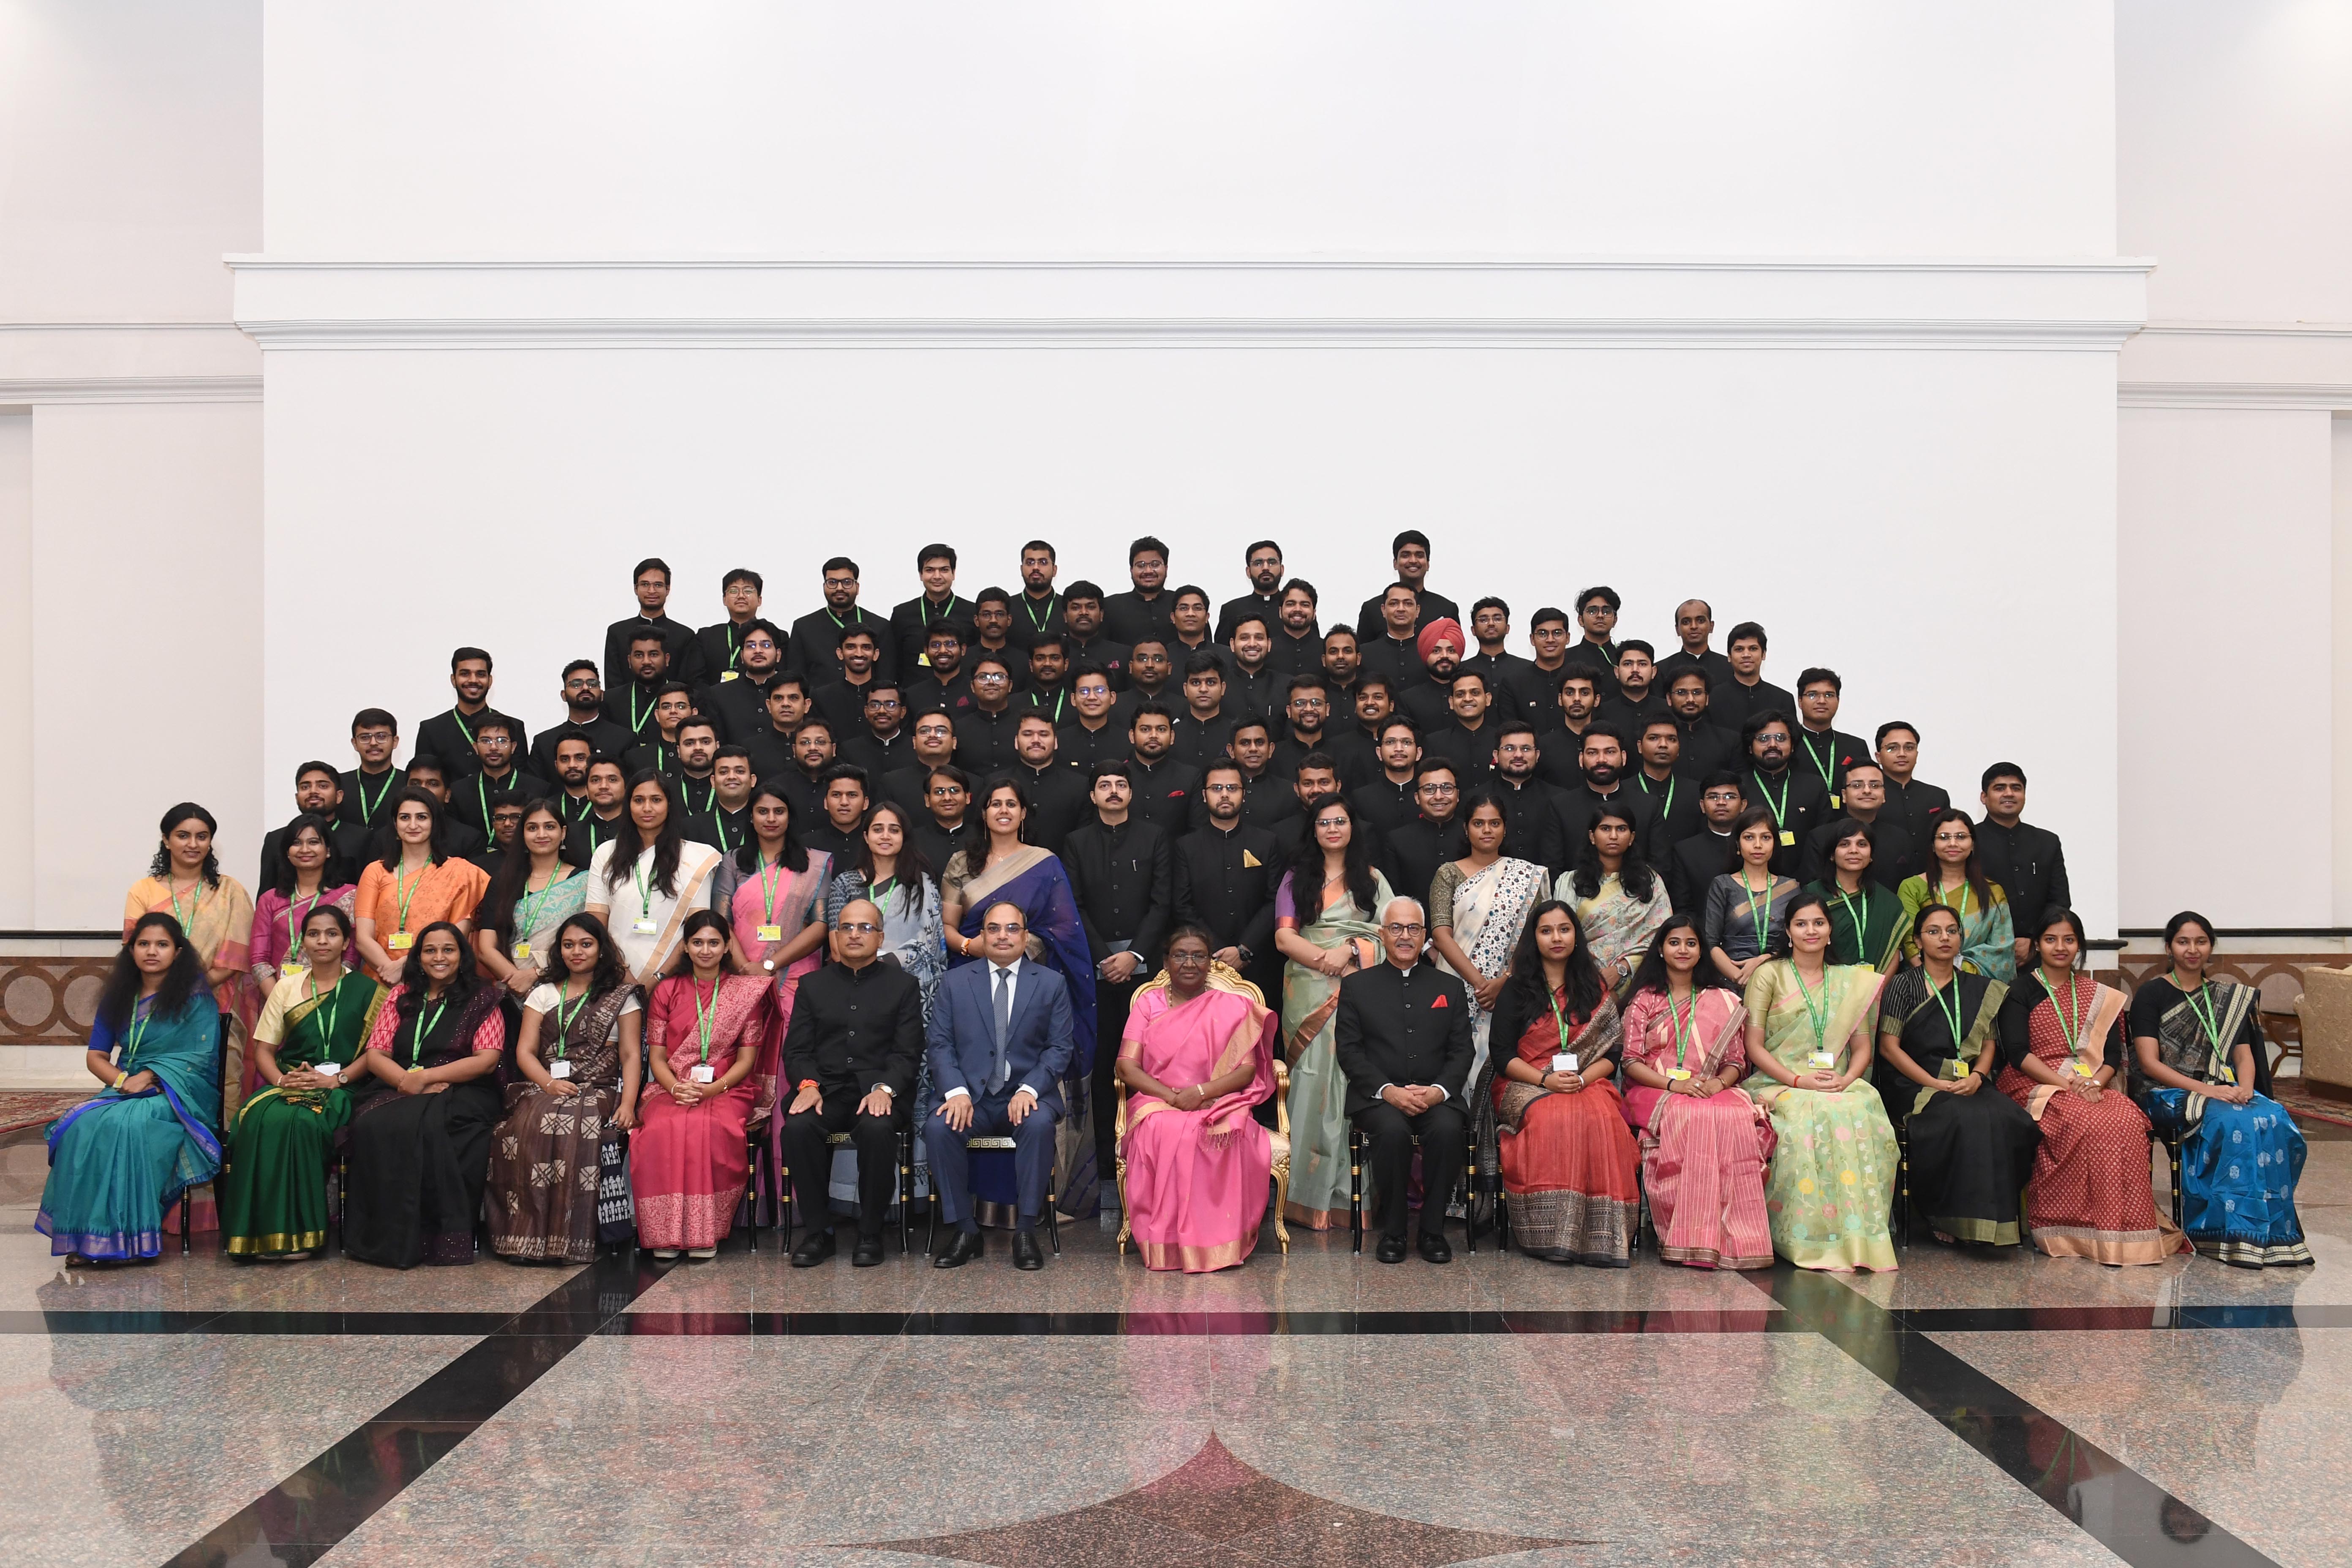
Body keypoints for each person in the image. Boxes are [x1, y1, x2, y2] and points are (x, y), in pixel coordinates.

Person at [938, 779, 1101, 1213]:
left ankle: (1032, 1207)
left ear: (1024, 812)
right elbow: (948, 927)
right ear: (984, 812)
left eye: (1012, 804)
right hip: (972, 977)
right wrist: (976, 947)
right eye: (995, 804)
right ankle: (977, 1208)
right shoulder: (962, 863)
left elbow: (1065, 930)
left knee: (1029, 1084)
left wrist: (1018, 947)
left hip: (1031, 984)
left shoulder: (1044, 863)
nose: (1004, 810)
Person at [1997, 908, 2186, 1266]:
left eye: (2069, 940)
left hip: (2093, 1083)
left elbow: (2112, 1055)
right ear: (2037, 945)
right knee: (2083, 1121)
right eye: (2051, 939)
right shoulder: (2020, 990)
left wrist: (2095, 1083)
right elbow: (2019, 1054)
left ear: (2080, 946)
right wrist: (2069, 1086)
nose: (2060, 947)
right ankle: (2072, 1227)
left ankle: (2127, 1230)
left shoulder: (2100, 995)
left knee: (2127, 1119)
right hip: (2035, 1081)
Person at [36, 914, 224, 1261]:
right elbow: (96, 1056)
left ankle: (128, 1240)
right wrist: (124, 1081)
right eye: (144, 944)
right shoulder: (119, 996)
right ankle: (84, 1238)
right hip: (126, 1088)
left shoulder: (195, 997)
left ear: (178, 952)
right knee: (82, 1126)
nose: (152, 951)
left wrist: (151, 1076)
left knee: (130, 1125)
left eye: (162, 944)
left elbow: (200, 1056)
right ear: (131, 950)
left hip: (177, 1093)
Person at [2129, 911, 2311, 1268]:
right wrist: (2207, 1091)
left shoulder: (2226, 998)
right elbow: (2149, 1063)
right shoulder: (2152, 993)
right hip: (2166, 1090)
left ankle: (2277, 1234)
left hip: (2222, 1089)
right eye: (2183, 942)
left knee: (2273, 1116)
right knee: (2233, 1122)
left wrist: (2246, 1089)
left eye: (2201, 941)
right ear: (2168, 948)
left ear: (2211, 946)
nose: (2192, 949)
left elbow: (2243, 1055)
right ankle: (2223, 1232)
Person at [1742, 893, 1898, 1272]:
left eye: (1818, 923)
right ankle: (1805, 1234)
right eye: (1801, 924)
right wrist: (1798, 1079)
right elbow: (1753, 1045)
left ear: (1830, 931)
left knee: (1862, 1110)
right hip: (1780, 1082)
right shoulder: (1769, 974)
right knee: (1805, 1117)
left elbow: (1863, 1047)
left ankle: (1859, 1235)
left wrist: (1846, 1079)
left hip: (1839, 1082)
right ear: (1788, 931)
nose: (1810, 930)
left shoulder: (1849, 980)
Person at [220, 904, 380, 1259]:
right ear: (303, 943)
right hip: (291, 1080)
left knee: (303, 1123)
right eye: (314, 934)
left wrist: (337, 1079)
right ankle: (258, 1235)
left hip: (343, 1086)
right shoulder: (286, 988)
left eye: (332, 934)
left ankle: (302, 1235)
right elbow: (264, 1050)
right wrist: (282, 1081)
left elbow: (376, 1053)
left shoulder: (368, 990)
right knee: (257, 1119)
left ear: (346, 942)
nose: (322, 941)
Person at [1115, 927, 1281, 1271]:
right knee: (1162, 1129)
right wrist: (1172, 1097)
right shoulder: (1148, 1003)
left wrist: (1202, 1093)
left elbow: (1246, 1072)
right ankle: (1168, 1245)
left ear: (1210, 962)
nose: (1189, 963)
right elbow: (1126, 1066)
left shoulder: (1234, 1006)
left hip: (1217, 1099)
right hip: (1158, 1100)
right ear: (1166, 962)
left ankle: (1217, 1243)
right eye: (1180, 955)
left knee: (1224, 1129)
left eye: (1198, 956)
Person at [343, 922, 506, 1268]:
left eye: (448, 949)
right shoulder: (401, 995)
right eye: (430, 950)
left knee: (432, 1124)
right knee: (371, 1124)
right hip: (400, 1084)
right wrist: (407, 1081)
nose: (439, 957)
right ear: (418, 957)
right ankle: (382, 1238)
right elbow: (376, 1054)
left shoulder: (483, 997)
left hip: (462, 1087)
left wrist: (427, 1078)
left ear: (462, 955)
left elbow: (487, 1060)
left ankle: (436, 1238)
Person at [925, 901, 1077, 1270]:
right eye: (993, 929)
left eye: (1012, 929)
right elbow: (940, 1044)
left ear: (1025, 936)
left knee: (1038, 1125)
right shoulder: (955, 982)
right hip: (971, 1097)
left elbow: (1060, 1048)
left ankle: (1025, 1231)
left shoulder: (1051, 984)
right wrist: (956, 1092)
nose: (1003, 936)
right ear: (982, 936)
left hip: (1025, 1094)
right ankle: (966, 1230)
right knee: (940, 1127)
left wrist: (1030, 1089)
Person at [1875, 903, 2037, 1248]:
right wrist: (1934, 1083)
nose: (1944, 938)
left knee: (2011, 1120)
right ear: (1918, 940)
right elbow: (1889, 1048)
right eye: (1933, 932)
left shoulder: (1980, 987)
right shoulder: (1903, 985)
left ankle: (1997, 1222)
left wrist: (1978, 1076)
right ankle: (1945, 1215)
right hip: (1915, 1082)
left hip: (1968, 1079)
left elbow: (1989, 1044)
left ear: (1961, 938)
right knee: (1961, 1118)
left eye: (1952, 931)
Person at [1486, 901, 1640, 1264]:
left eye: (1564, 929)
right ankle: (1551, 1233)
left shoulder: (1595, 988)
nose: (1556, 938)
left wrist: (1582, 1079)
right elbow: (1502, 1055)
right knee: (1552, 1118)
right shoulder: (1516, 989)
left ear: (1576, 936)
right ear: (1534, 938)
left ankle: (1603, 1239)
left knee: (1603, 1118)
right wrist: (1546, 1080)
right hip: (1525, 1081)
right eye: (1546, 931)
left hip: (1585, 1080)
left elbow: (1613, 1053)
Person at [487, 912, 643, 1263]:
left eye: (586, 944)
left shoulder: (621, 996)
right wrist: (549, 1083)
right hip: (545, 1085)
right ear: (559, 951)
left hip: (599, 1087)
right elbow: (525, 1052)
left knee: (577, 1123)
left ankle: (570, 1238)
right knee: (525, 1125)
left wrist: (628, 1105)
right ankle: (526, 1236)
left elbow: (631, 1055)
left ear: (601, 949)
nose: (577, 952)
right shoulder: (542, 993)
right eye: (569, 945)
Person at [1618, 915, 1772, 1270]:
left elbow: (1735, 1061)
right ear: (1661, 949)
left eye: (1691, 943)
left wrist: (1719, 1083)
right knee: (1692, 1114)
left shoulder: (1723, 999)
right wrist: (1676, 1085)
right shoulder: (1645, 999)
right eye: (1674, 942)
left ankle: (1741, 1237)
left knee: (1735, 1114)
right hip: (1654, 1088)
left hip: (1709, 1085)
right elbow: (1631, 1062)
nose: (1683, 950)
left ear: (1702, 950)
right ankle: (1690, 1235)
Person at [1272, 795, 1393, 1230]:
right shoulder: (1296, 878)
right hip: (1308, 990)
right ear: (1314, 829)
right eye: (1324, 822)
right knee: (1311, 1084)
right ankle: (1304, 1197)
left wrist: (1354, 949)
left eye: (1340, 821)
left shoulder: (1373, 880)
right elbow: (1284, 939)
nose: (1333, 829)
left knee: (1353, 1080)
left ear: (1352, 826)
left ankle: (1350, 1197)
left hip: (1362, 989)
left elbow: (1395, 934)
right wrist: (1329, 960)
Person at [1336, 897, 1474, 1264]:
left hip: (1436, 1095)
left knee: (1447, 1130)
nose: (1405, 936)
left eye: (1413, 928)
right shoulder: (1357, 987)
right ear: (1382, 934)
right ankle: (1394, 1233)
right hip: (1379, 1097)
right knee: (1392, 1130)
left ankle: (1432, 1232)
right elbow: (1349, 1051)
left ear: (1425, 935)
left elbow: (1462, 1051)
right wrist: (1389, 1091)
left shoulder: (1450, 987)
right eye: (1396, 928)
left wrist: (1438, 1092)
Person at [1062, 762, 1175, 1192]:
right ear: (1093, 796)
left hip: (1147, 972)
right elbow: (1073, 905)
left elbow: (1161, 903)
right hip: (1094, 972)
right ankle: (1109, 1171)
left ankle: (1154, 1161)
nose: (1113, 791)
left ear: (1131, 792)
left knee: (1152, 1063)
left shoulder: (1155, 836)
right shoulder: (1075, 842)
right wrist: (1105, 959)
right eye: (1104, 785)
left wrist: (1134, 955)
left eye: (1121, 784)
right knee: (1106, 1065)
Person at [635, 910, 771, 1260]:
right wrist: (675, 1088)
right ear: (685, 946)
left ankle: (704, 1232)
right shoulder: (666, 990)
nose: (706, 950)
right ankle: (665, 1233)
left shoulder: (744, 994)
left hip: (729, 1087)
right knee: (659, 1128)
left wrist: (714, 1089)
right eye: (697, 943)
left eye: (714, 943)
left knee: (709, 1127)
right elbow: (657, 1057)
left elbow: (747, 1061)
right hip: (672, 1086)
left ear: (727, 947)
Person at [125, 803, 254, 1121]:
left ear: (210, 842)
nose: (193, 844)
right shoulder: (143, 891)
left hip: (217, 1004)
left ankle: (219, 1145)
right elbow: (135, 948)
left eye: (202, 836)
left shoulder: (230, 891)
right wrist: (169, 994)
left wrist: (190, 992)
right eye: (183, 836)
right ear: (166, 840)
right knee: (157, 1082)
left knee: (224, 1080)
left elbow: (234, 959)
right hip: (157, 1007)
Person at [717, 785, 836, 1109]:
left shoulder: (813, 864)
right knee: (744, 1056)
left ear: (790, 817)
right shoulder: (733, 862)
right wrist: (747, 971)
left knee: (792, 1053)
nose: (771, 818)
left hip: (796, 979)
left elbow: (820, 925)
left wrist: (769, 966)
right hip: (741, 978)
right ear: (751, 817)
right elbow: (721, 923)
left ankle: (788, 1137)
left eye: (779, 811)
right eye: (762, 811)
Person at [1427, 791, 1548, 1087]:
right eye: (1478, 823)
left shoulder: (1526, 876)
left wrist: (1504, 981)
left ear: (1505, 828)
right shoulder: (1448, 874)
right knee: (1454, 1061)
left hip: (1512, 989)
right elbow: (1441, 934)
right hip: (1456, 984)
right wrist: (1483, 986)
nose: (1487, 830)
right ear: (1466, 828)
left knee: (1505, 1061)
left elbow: (1535, 938)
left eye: (1494, 823)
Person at [585, 771, 724, 988]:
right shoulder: (607, 854)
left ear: (669, 805)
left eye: (656, 800)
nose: (647, 808)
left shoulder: (695, 858)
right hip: (614, 975)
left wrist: (659, 978)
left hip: (675, 979)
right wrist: (623, 973)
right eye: (639, 800)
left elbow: (696, 928)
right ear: (628, 805)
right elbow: (596, 923)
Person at [352, 788, 491, 986]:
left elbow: (455, 937)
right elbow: (363, 939)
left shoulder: (461, 873)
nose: (413, 825)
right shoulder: (375, 871)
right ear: (395, 824)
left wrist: (403, 968)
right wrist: (391, 973)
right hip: (381, 980)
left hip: (438, 981)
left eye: (422, 817)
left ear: (435, 823)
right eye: (405, 817)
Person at [822, 800, 947, 1013]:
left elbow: (931, 945)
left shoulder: (922, 884)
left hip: (909, 988)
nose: (886, 836)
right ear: (866, 836)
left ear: (904, 837)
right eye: (878, 830)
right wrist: (871, 969)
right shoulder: (845, 883)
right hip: (855, 988)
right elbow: (837, 948)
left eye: (894, 830)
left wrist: (884, 964)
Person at [1174, 760, 1282, 1002]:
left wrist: (1244, 949)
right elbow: (1182, 906)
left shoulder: (1267, 842)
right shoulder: (1186, 847)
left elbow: (1275, 900)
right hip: (1205, 962)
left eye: (1232, 788)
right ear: (1204, 796)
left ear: (1244, 794)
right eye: (1217, 788)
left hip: (1260, 960)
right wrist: (1217, 950)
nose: (1224, 795)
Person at [471, 800, 590, 1006]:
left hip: (569, 990)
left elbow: (590, 944)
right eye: (533, 828)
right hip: (513, 992)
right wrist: (521, 984)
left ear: (563, 833)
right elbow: (486, 949)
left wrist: (536, 974)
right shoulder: (503, 883)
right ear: (523, 834)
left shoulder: (584, 882)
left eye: (549, 827)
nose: (541, 834)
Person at [249, 814, 357, 1011]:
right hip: (278, 1001)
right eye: (297, 843)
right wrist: (282, 1006)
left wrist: (327, 1001)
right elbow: (259, 959)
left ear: (328, 851)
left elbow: (351, 957)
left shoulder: (349, 896)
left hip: (334, 1002)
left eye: (314, 842)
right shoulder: (270, 900)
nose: (305, 849)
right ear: (287, 852)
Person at [1897, 808, 2014, 980]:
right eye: (1944, 838)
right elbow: (1911, 943)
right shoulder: (1913, 888)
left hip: (1978, 984)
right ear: (1933, 845)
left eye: (1961, 837)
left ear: (1973, 844)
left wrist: (1963, 977)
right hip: (1925, 982)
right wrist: (1938, 980)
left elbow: (2001, 950)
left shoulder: (1993, 892)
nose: (1953, 843)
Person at [1563, 803, 1670, 987]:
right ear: (1592, 836)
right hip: (1582, 980)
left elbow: (1662, 936)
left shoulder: (1650, 882)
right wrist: (1591, 975)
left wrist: (1623, 968)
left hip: (1640, 982)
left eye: (1621, 829)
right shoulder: (1569, 882)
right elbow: (1561, 934)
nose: (1614, 836)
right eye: (1605, 829)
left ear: (1632, 838)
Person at [1976, 764, 2070, 971]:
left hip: (2040, 957)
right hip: (1981, 958)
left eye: (2016, 788)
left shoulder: (2047, 842)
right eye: (2000, 788)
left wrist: (2034, 941)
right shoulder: (1968, 842)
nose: (2009, 794)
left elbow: (2060, 902)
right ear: (1984, 797)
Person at [1703, 807, 1799, 985]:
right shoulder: (1723, 885)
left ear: (1775, 844)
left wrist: (1765, 962)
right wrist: (1740, 978)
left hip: (1779, 978)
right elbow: (1711, 943)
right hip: (1732, 979)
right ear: (1738, 845)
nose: (1758, 845)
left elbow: (1796, 940)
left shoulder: (1790, 888)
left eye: (1766, 838)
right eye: (1749, 837)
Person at [1807, 819, 1911, 973]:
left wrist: (1878, 987)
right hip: (1821, 983)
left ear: (1871, 855)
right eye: (1845, 844)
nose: (1854, 850)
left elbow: (1892, 954)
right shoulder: (1813, 894)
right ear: (1832, 855)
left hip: (1877, 985)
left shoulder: (1888, 902)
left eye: (1862, 844)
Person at [1796, 762, 1915, 890]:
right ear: (1844, 795)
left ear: (1884, 795)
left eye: (1875, 786)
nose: (1867, 791)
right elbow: (1812, 890)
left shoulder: (1901, 838)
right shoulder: (1821, 837)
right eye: (1857, 785)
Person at [1740, 710, 1829, 877]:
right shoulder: (1737, 788)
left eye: (1781, 738)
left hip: (1807, 881)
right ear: (1750, 748)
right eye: (1763, 739)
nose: (1773, 745)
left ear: (1793, 746)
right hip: (1749, 881)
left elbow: (1825, 840)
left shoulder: (1815, 786)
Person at [417, 648, 528, 779]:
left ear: (490, 681)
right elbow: (423, 780)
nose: (473, 680)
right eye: (465, 674)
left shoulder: (514, 726)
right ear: (453, 680)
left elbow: (522, 780)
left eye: (481, 674)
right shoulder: (431, 730)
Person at [787, 555, 895, 686]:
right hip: (817, 698)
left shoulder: (880, 626)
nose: (839, 588)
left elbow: (886, 679)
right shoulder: (803, 627)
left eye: (847, 582)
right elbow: (796, 680)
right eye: (832, 582)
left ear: (857, 587)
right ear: (824, 586)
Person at [604, 558, 704, 695]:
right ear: (636, 589)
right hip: (626, 706)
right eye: (645, 585)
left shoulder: (684, 635)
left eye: (658, 585)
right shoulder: (617, 632)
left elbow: (686, 684)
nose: (652, 591)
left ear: (668, 589)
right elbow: (613, 683)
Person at [1378, 760, 1468, 909]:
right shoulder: (1397, 840)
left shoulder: (1473, 835)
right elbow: (1393, 899)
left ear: (1457, 795)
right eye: (1429, 789)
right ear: (1417, 797)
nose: (1439, 796)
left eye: (1447, 788)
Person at [530, 661, 635, 781]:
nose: (585, 688)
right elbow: (536, 788)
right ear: (564, 695)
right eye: (576, 684)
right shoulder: (544, 742)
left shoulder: (624, 739)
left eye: (592, 684)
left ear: (602, 695)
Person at [1353, 529, 1458, 637]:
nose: (1413, 561)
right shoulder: (1372, 610)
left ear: (1428, 564)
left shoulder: (1447, 610)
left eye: (1419, 556)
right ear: (1395, 563)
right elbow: (1363, 647)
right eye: (1406, 556)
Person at [1791, 668, 1867, 808]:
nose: (1822, 701)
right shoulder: (1788, 745)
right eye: (1813, 695)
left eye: (1829, 695)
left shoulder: (1856, 746)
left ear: (1838, 701)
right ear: (1800, 701)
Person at [1873, 721, 1951, 852]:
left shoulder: (1937, 796)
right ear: (1879, 757)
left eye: (1909, 748)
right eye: (1892, 748)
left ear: (1917, 754)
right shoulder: (1869, 795)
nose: (1902, 754)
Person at [891, 543, 964, 678]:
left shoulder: (971, 613)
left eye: (944, 570)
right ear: (921, 574)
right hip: (913, 689)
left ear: (954, 573)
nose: (937, 576)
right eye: (930, 570)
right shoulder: (902, 614)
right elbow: (894, 662)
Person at [1712, 623, 1794, 731]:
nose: (1746, 655)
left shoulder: (1783, 700)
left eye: (1753, 649)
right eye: (1739, 649)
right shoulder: (1714, 698)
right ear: (1729, 656)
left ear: (1764, 654)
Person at [339, 709, 406, 837]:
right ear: (355, 744)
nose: (373, 743)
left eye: (381, 736)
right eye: (365, 737)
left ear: (395, 742)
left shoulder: (409, 783)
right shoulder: (339, 784)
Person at [694, 566, 766, 683]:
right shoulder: (705, 637)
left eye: (748, 591)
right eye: (733, 591)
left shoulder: (775, 637)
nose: (741, 596)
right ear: (724, 600)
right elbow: (696, 679)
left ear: (759, 600)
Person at [1103, 535, 1176, 649]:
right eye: (1141, 565)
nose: (1148, 571)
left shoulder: (1182, 604)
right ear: (1131, 570)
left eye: (1155, 565)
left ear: (1166, 568)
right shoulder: (1110, 607)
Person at [1656, 599, 1735, 697]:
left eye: (1701, 621)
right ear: (1677, 630)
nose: (1694, 626)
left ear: (1711, 626)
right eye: (1686, 622)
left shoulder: (1730, 668)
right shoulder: (1661, 671)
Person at [1009, 538, 1064, 649]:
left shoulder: (1068, 607)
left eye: (1043, 563)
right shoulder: (1007, 608)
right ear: (1021, 569)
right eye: (1030, 563)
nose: (1036, 568)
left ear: (1054, 570)